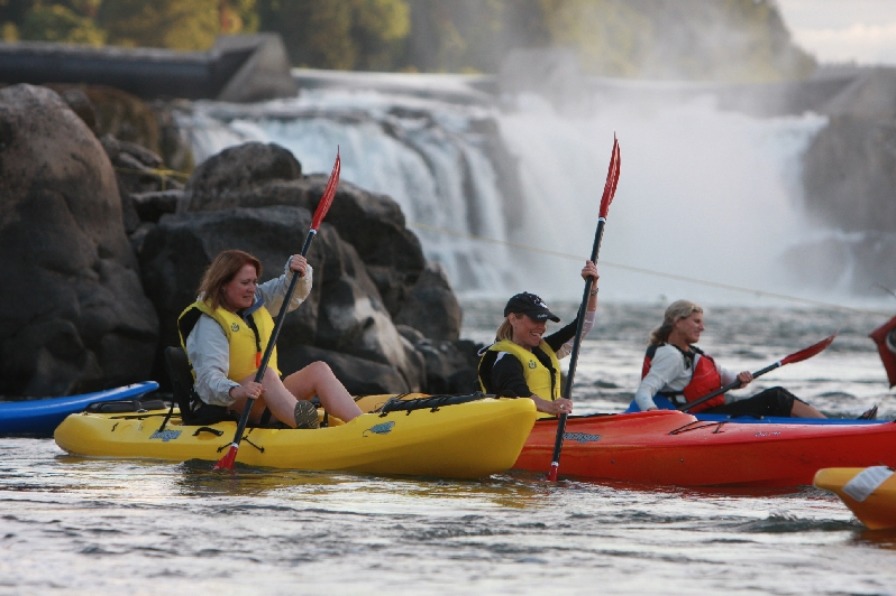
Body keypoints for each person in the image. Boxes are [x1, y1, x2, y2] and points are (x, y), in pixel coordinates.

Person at [177, 249, 363, 429]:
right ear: (223, 284)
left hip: (264, 395)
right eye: (245, 283)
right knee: (264, 375)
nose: (252, 289)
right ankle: (308, 431)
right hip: (229, 403)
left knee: (319, 369)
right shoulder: (208, 323)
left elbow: (288, 292)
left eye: (254, 282)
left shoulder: (256, 300)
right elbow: (208, 380)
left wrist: (297, 273)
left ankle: (363, 425)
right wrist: (236, 390)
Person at [630, 299, 877, 420]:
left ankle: (831, 426)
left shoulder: (693, 354)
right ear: (677, 322)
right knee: (775, 397)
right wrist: (657, 418)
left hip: (711, 411)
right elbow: (644, 393)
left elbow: (730, 379)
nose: (702, 328)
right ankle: (834, 428)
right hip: (699, 419)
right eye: (696, 322)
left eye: (702, 322)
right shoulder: (669, 355)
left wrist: (741, 379)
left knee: (775, 397)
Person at [477, 261, 599, 416]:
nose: (541, 327)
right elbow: (516, 392)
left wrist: (592, 288)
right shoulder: (502, 357)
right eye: (535, 320)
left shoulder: (542, 349)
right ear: (513, 318)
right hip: (518, 434)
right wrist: (551, 407)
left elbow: (582, 325)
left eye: (543, 321)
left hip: (548, 430)